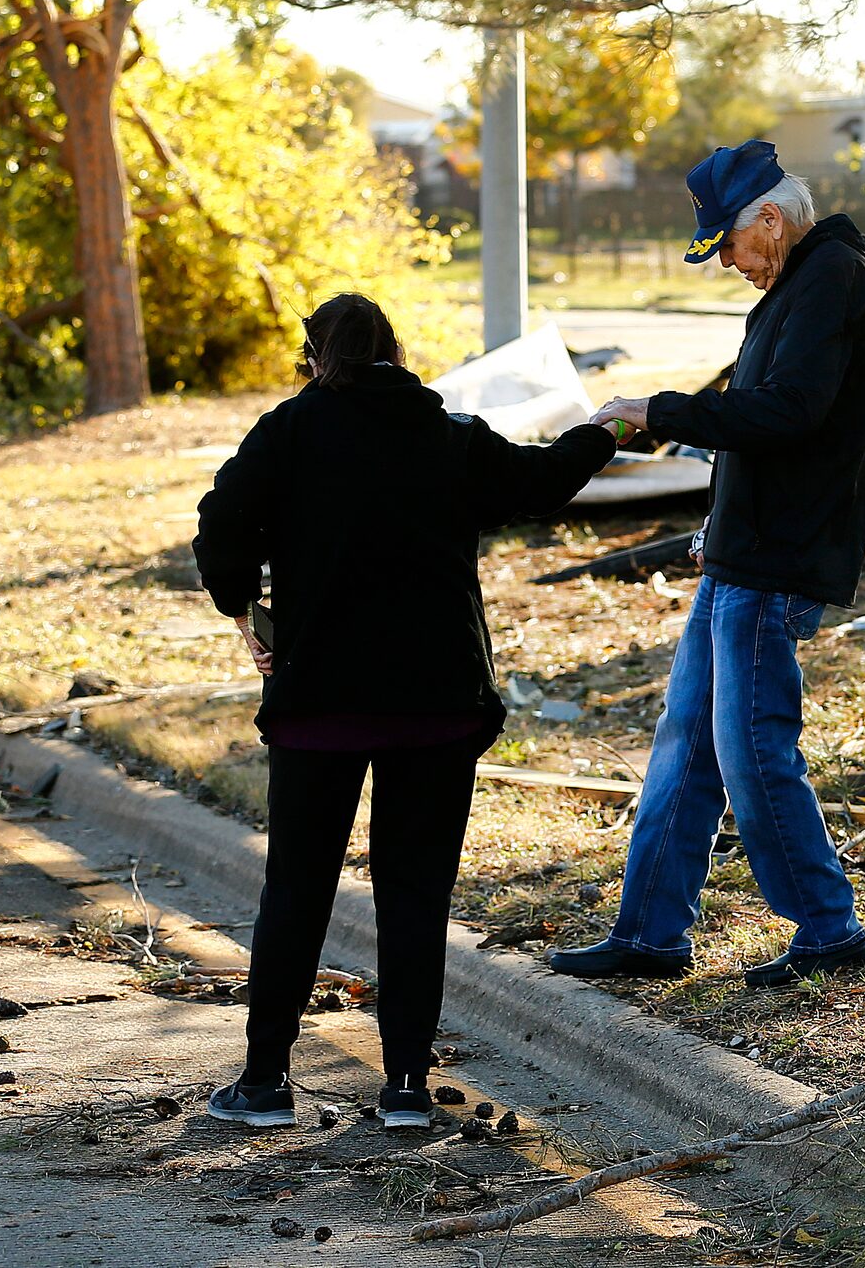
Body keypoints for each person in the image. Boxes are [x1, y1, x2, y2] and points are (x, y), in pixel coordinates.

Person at [192, 294, 619, 1130]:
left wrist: (246, 613)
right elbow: (540, 481)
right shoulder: (447, 435)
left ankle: (266, 1084)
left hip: (321, 705)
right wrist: (605, 428)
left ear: (316, 357)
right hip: (437, 706)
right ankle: (405, 1091)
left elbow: (219, 528)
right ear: (393, 351)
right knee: (416, 892)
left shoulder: (287, 433)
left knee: (298, 887)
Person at [551, 142, 865, 988]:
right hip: (745, 548)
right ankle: (649, 935)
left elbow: (788, 413)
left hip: (776, 560)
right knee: (687, 746)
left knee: (751, 752)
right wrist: (720, 515)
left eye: (732, 249)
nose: (731, 267)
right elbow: (766, 422)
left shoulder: (827, 279)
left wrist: (658, 412)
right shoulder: (799, 280)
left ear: (770, 221)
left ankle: (828, 929)